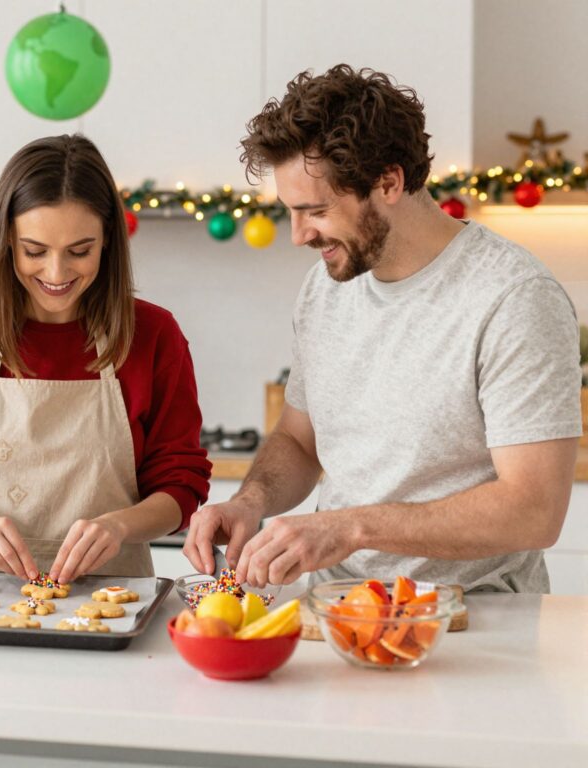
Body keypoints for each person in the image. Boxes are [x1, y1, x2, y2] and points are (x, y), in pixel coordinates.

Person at [184, 65, 582, 592]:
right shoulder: (325, 289)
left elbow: (533, 511)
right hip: (335, 606)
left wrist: (351, 528)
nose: (299, 235)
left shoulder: (513, 297)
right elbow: (301, 442)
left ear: (389, 182)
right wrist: (250, 502)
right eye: (291, 213)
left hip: (476, 619)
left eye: (317, 210)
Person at [0, 134, 211, 583]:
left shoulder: (153, 335)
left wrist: (119, 526)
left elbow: (181, 482)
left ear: (108, 242)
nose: (56, 274)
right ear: (4, 242)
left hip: (112, 595)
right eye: (34, 251)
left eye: (80, 251)